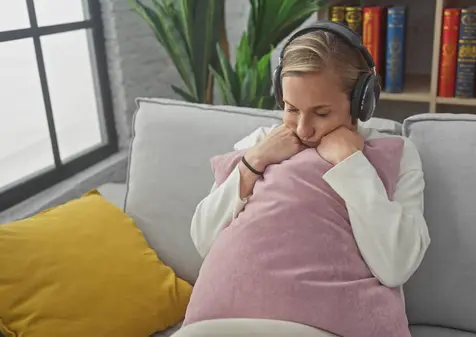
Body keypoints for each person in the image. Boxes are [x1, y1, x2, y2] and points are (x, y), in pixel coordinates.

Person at [173, 21, 431, 337]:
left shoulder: (395, 153)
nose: (303, 129)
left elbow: (396, 265)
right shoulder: (260, 142)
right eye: (291, 109)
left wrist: (352, 164)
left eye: (321, 113)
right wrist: (253, 162)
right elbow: (204, 241)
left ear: (361, 103)